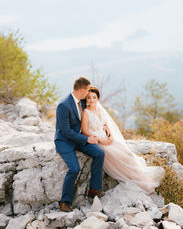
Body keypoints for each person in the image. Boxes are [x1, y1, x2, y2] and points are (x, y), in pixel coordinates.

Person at [81, 87, 165, 194]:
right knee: (117, 155)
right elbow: (84, 131)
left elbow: (105, 124)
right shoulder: (86, 113)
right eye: (89, 98)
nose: (91, 100)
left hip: (106, 137)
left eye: (94, 97)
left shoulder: (100, 110)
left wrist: (110, 136)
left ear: (98, 98)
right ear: (86, 99)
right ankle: (139, 182)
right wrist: (101, 140)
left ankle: (144, 179)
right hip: (97, 139)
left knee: (127, 153)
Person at [54, 77, 105, 212]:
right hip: (64, 141)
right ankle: (65, 201)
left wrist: (104, 127)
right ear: (81, 90)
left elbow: (93, 113)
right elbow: (66, 131)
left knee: (99, 153)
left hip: (79, 138)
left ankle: (94, 189)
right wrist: (87, 139)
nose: (89, 93)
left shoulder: (82, 101)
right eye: (88, 90)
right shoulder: (63, 105)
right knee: (74, 168)